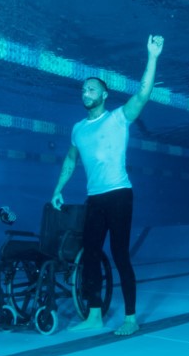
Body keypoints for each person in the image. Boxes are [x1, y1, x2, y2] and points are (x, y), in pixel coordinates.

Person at [51, 35, 165, 336]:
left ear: (103, 95)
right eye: (83, 89)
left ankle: (130, 318)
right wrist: (57, 189)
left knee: (120, 254)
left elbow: (142, 94)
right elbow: (70, 161)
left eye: (91, 89)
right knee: (89, 254)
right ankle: (94, 315)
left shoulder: (118, 119)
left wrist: (152, 57)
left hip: (119, 195)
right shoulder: (77, 128)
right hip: (95, 199)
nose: (85, 92)